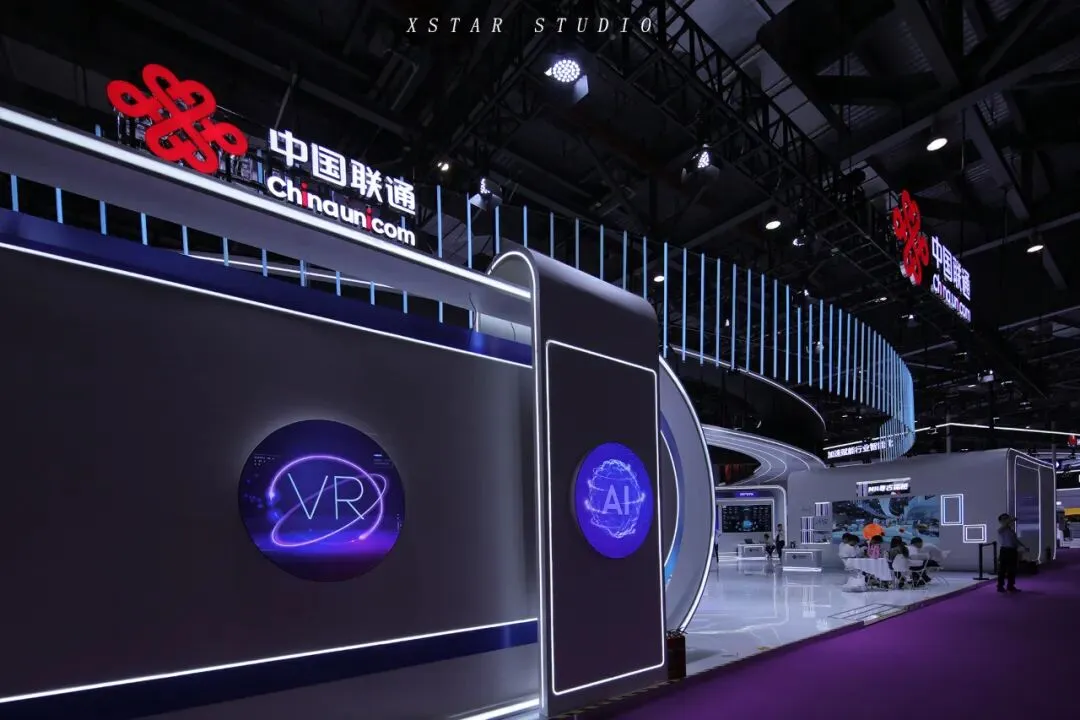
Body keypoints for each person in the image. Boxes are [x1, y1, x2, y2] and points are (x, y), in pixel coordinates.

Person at [997, 513, 1028, 593]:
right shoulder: (1001, 530)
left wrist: (1023, 546)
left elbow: (1015, 540)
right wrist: (1011, 520)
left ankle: (1010, 586)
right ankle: (1000, 586)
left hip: (1013, 551)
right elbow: (1005, 524)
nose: (1007, 520)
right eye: (1004, 518)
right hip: (1005, 550)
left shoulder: (1011, 530)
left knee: (1012, 569)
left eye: (1007, 518)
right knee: (1003, 569)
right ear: (1001, 521)